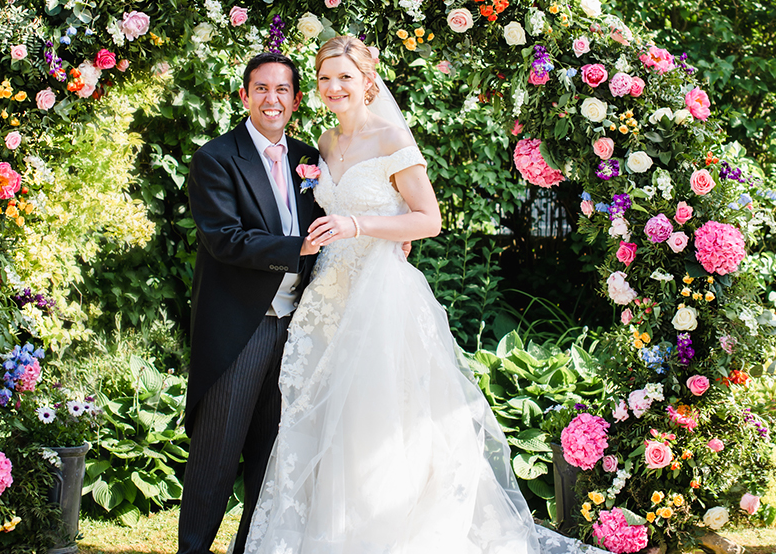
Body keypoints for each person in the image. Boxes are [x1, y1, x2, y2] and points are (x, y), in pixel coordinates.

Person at [244, 36, 601, 554]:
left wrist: (361, 223)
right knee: (321, 416)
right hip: (328, 294)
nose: (334, 87)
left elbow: (427, 219)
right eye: (324, 78)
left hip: (380, 295)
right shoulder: (321, 143)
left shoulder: (391, 138)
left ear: (368, 80)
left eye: (345, 76)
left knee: (375, 415)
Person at [178, 52, 324, 554]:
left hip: (299, 329)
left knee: (272, 459)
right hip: (243, 328)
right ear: (243, 96)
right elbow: (225, 239)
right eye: (261, 88)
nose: (272, 99)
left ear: (296, 100)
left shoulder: (311, 158)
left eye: (282, 89)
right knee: (215, 460)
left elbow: (345, 210)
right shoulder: (216, 158)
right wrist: (296, 247)